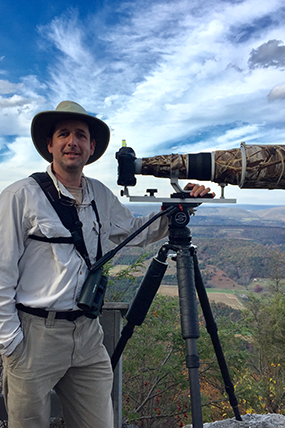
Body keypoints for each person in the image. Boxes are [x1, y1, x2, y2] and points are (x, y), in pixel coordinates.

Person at [0, 101, 213, 428]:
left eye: (81, 136)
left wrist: (178, 206)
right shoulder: (20, 196)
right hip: (34, 336)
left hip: (87, 334)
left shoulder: (100, 194)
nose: (73, 142)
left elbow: (135, 233)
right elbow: (1, 272)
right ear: (50, 144)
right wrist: (11, 342)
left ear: (92, 146)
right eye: (64, 134)